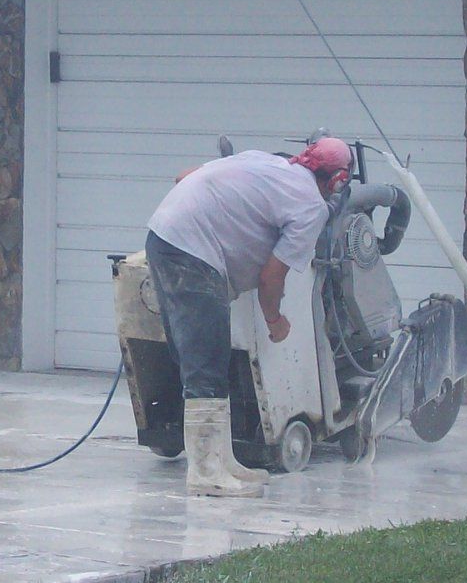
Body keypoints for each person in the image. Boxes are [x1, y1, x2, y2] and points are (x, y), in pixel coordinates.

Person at [145, 137, 352, 497]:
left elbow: (184, 177)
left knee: (205, 357)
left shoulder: (263, 161)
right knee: (206, 361)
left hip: (163, 236)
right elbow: (271, 277)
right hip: (193, 253)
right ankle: (206, 473)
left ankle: (223, 462)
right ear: (337, 182)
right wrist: (276, 321)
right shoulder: (310, 208)